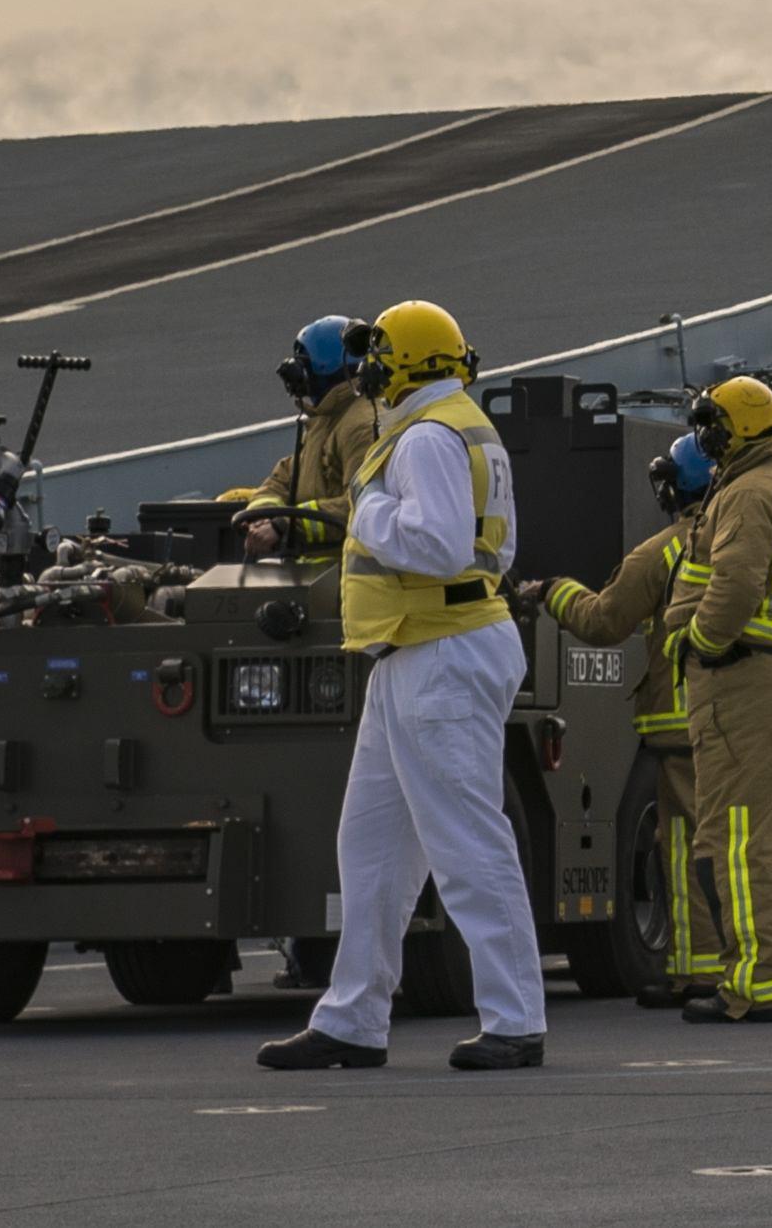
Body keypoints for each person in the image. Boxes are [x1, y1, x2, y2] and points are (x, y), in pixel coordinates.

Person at [258, 299, 545, 1071]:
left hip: (437, 648)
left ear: (401, 365)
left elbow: (438, 544)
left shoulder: (421, 438)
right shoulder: (455, 425)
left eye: (377, 361)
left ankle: (514, 1019)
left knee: (464, 841)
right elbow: (497, 543)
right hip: (420, 647)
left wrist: (366, 512)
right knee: (372, 846)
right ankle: (353, 1017)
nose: (367, 375)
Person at [512, 470, 719, 1006]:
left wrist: (552, 592)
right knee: (753, 843)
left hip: (680, 719)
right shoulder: (748, 532)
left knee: (686, 844)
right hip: (745, 714)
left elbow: (604, 620)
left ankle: (697, 971)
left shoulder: (666, 550)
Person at [671, 376, 772, 1025]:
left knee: (739, 834)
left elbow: (735, 584)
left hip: (744, 674)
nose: (704, 440)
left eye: (710, 427)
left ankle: (753, 981)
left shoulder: (745, 492)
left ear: (732, 430)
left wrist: (700, 642)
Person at [219, 314, 377, 560]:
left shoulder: (360, 426)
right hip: (317, 572)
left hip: (347, 574)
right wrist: (263, 514)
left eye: (303, 364)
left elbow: (362, 507)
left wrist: (285, 526)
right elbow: (286, 475)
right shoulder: (327, 417)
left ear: (323, 367)